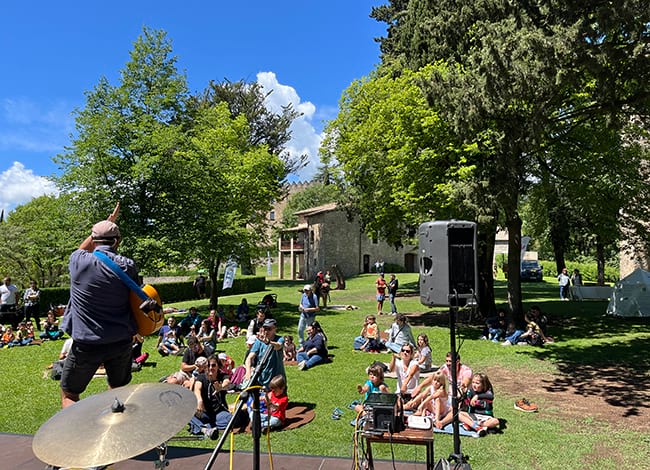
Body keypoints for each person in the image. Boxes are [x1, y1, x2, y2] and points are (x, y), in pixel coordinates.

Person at [59, 203, 138, 409]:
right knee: (118, 392)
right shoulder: (127, 265)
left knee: (70, 392)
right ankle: (112, 435)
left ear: (93, 240)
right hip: (120, 341)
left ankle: (76, 435)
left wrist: (107, 222)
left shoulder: (78, 261)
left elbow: (82, 248)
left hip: (87, 343)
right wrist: (110, 226)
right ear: (117, 241)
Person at [189, 354, 249, 436]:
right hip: (203, 412)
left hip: (219, 413)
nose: (210, 368)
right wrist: (199, 401)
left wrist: (220, 387)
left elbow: (226, 383)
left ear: (218, 366)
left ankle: (205, 427)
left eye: (213, 365)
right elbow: (197, 389)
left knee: (231, 420)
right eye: (208, 365)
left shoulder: (223, 376)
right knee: (186, 412)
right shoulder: (201, 377)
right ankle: (204, 429)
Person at [244, 318, 285, 390]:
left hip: (276, 381)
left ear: (275, 329)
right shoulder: (259, 341)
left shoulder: (280, 339)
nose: (266, 331)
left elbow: (278, 346)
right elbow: (249, 358)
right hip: (261, 379)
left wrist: (268, 342)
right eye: (265, 328)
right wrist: (248, 371)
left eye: (269, 329)